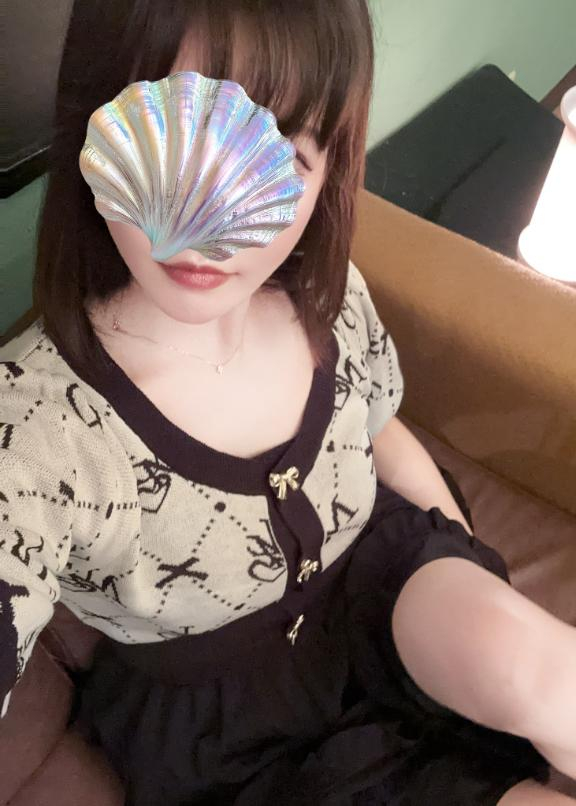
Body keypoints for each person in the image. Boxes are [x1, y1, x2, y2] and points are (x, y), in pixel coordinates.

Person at [0, 1, 574, 804]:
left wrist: (469, 561)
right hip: (231, 727)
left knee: (543, 674)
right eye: (174, 137)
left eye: (282, 158)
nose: (213, 221)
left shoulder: (323, 299)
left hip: (383, 574)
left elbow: (379, 430)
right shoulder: (37, 426)